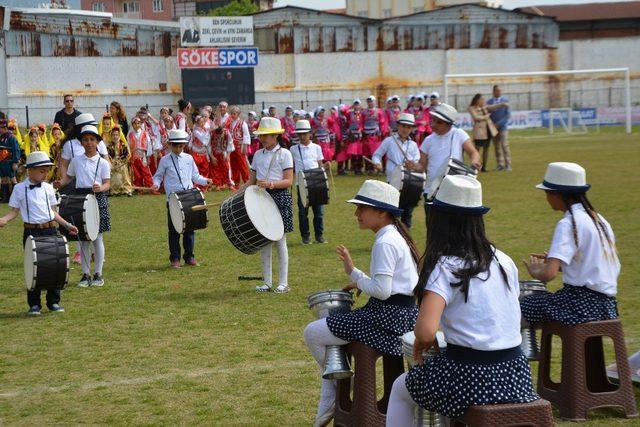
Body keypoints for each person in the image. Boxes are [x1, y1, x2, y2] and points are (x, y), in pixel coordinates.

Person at [386, 175, 538, 424]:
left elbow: (424, 333)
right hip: (516, 375)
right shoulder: (504, 260)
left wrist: (426, 338)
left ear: (440, 220)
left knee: (401, 389)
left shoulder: (446, 266)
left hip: (470, 376)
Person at [304, 179, 419, 427]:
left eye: (362, 208)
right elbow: (388, 287)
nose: (357, 213)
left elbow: (382, 291)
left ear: (381, 211)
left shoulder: (386, 241)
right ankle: (333, 392)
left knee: (313, 332)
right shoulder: (394, 236)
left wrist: (358, 279)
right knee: (327, 330)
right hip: (401, 315)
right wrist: (354, 273)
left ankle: (335, 391)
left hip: (387, 319)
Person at [521, 162, 619, 325]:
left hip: (578, 306)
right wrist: (559, 262)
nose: (547, 199)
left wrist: (536, 271)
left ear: (556, 195)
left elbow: (549, 275)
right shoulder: (600, 220)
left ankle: (527, 351)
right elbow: (593, 263)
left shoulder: (568, 223)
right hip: (607, 307)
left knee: (520, 307)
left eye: (547, 194)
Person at [0, 151, 78, 315]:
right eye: (41, 171)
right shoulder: (20, 189)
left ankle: (54, 302)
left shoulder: (49, 188)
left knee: (55, 266)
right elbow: (15, 211)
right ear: (30, 170)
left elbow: (53, 211)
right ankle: (34, 304)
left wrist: (66, 224)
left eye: (46, 171)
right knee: (33, 267)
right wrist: (5, 219)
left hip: (51, 230)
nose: (45, 174)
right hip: (31, 232)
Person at [56, 125, 111, 288]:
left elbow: (108, 183)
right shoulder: (76, 160)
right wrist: (60, 183)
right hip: (79, 198)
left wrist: (100, 188)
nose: (88, 143)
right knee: (83, 239)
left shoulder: (103, 162)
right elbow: (68, 178)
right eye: (85, 140)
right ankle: (85, 274)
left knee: (97, 237)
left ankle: (98, 273)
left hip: (97, 198)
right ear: (81, 143)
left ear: (97, 142)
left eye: (92, 140)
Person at [406, 103, 481, 219]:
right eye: (433, 120)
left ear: (449, 124)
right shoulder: (428, 140)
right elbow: (422, 166)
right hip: (431, 190)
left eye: (439, 122)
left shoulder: (459, 134)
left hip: (454, 189)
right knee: (432, 228)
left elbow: (473, 152)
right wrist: (413, 166)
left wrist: (475, 161)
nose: (434, 124)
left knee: (452, 226)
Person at [151, 129, 212, 269]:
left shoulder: (189, 158)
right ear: (170, 145)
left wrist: (205, 181)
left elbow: (195, 176)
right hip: (172, 200)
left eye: (182, 146)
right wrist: (155, 184)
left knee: (190, 230)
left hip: (189, 197)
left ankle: (189, 257)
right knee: (174, 231)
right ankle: (175, 259)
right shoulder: (165, 160)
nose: (179, 148)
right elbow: (158, 176)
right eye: (176, 145)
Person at [250, 117, 294, 294]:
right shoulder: (258, 155)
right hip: (261, 199)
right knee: (264, 242)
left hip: (279, 197)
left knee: (280, 241)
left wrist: (271, 184)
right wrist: (236, 196)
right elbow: (251, 181)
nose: (262, 139)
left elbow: (289, 181)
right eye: (261, 135)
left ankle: (283, 282)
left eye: (266, 135)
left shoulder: (285, 154)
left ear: (275, 136)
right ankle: (267, 282)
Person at [372, 113, 421, 228]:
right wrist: (377, 163)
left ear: (412, 129)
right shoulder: (389, 141)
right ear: (398, 126)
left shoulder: (413, 145)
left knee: (407, 215)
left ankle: (406, 242)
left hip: (409, 183)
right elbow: (377, 155)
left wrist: (413, 165)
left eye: (408, 127)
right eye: (403, 126)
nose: (405, 129)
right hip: (392, 182)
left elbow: (418, 162)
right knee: (392, 214)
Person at [290, 119, 327, 245]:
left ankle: (319, 236)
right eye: (300, 134)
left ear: (310, 134)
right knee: (302, 213)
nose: (302, 136)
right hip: (301, 183)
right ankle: (305, 237)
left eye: (304, 134)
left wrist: (324, 172)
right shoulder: (293, 149)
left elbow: (320, 164)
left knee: (319, 212)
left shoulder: (317, 147)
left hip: (316, 182)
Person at [468, 93, 499, 172]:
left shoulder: (483, 107)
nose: (483, 101)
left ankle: (484, 167)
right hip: (479, 131)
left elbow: (492, 107)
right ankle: (475, 166)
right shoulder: (472, 108)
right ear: (477, 100)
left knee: (486, 148)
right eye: (482, 99)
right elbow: (476, 117)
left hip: (487, 130)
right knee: (477, 149)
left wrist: (501, 104)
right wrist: (485, 117)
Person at [487, 85, 512, 171]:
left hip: (503, 127)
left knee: (505, 145)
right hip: (493, 128)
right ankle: (500, 164)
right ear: (493, 92)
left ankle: (508, 164)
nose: (498, 92)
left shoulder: (506, 101)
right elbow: (487, 115)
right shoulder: (489, 102)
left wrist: (499, 124)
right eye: (497, 91)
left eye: (500, 91)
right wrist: (492, 124)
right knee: (496, 147)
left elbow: (507, 115)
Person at [225, 106, 251, 189]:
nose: (232, 115)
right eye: (231, 113)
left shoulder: (242, 123)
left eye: (234, 113)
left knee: (242, 165)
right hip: (232, 147)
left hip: (240, 146)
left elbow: (246, 135)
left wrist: (245, 146)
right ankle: (236, 183)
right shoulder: (230, 123)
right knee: (234, 165)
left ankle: (247, 181)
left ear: (238, 114)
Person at [361, 95, 387, 174]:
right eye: (368, 101)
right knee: (367, 152)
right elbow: (361, 123)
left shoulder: (379, 111)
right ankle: (369, 169)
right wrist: (361, 131)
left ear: (374, 102)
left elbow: (382, 122)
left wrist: (383, 132)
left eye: (371, 101)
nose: (370, 103)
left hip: (376, 135)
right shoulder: (364, 112)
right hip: (366, 135)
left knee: (377, 152)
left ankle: (380, 169)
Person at [128, 116, 154, 192]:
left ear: (140, 124)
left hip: (143, 157)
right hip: (134, 157)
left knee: (146, 173)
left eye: (138, 123)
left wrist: (148, 156)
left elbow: (149, 144)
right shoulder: (130, 135)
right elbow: (128, 146)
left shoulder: (145, 133)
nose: (136, 125)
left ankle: (151, 188)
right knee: (137, 174)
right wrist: (129, 156)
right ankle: (139, 189)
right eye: (135, 123)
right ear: (132, 125)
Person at [0, 119, 22, 203]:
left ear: (4, 128)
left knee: (13, 179)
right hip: (2, 161)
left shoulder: (11, 137)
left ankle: (15, 198)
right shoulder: (1, 137)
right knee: (3, 179)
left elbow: (16, 150)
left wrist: (15, 162)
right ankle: (5, 198)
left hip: (9, 161)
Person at [106, 125, 133, 196]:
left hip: (122, 163)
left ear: (119, 135)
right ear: (111, 136)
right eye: (113, 135)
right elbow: (107, 155)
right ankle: (114, 191)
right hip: (113, 163)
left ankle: (127, 190)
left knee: (125, 175)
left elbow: (127, 155)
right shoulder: (109, 146)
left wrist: (120, 161)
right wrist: (113, 162)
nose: (115, 137)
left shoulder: (123, 145)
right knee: (114, 175)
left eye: (117, 135)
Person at [190, 115, 213, 191]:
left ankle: (204, 187)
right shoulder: (196, 131)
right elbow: (203, 140)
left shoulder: (205, 130)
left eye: (203, 121)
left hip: (203, 153)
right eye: (200, 122)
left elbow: (208, 143)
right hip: (196, 153)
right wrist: (208, 132)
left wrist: (209, 154)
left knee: (205, 170)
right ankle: (196, 186)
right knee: (196, 171)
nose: (202, 123)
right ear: (197, 123)